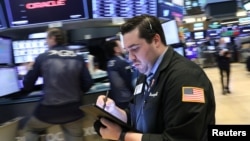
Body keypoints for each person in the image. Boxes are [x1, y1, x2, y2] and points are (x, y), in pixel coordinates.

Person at [94, 14, 216, 141]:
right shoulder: (145, 74)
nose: (130, 57)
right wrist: (113, 111)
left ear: (156, 40)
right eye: (127, 51)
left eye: (135, 49)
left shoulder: (186, 77)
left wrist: (121, 136)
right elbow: (135, 115)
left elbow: (181, 138)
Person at [22, 27, 93, 141]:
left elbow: (27, 85)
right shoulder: (78, 57)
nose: (46, 42)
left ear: (53, 38)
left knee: (31, 130)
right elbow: (88, 83)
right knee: (75, 136)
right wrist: (76, 92)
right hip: (74, 110)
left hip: (48, 111)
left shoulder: (42, 57)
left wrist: (30, 69)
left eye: (47, 38)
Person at [104, 38, 134, 109]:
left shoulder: (109, 63)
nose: (123, 47)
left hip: (117, 99)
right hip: (127, 99)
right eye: (120, 45)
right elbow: (130, 81)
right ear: (116, 49)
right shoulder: (122, 62)